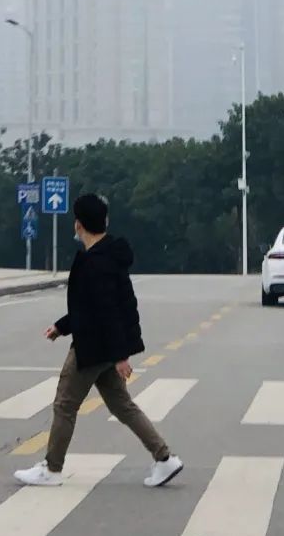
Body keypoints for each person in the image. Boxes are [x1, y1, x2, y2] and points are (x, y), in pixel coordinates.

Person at [14, 192, 183, 488]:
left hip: (92, 348)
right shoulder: (109, 256)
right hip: (103, 345)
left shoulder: (95, 263)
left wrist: (120, 356)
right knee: (122, 405)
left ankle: (52, 469)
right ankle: (165, 458)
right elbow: (92, 308)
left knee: (65, 405)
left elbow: (107, 312)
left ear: (79, 225)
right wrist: (62, 326)